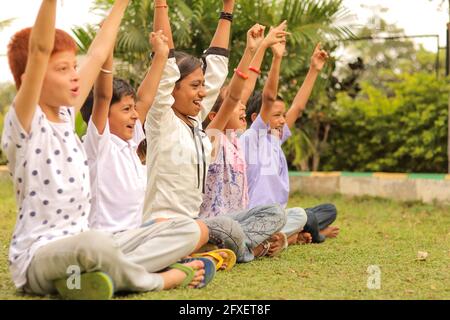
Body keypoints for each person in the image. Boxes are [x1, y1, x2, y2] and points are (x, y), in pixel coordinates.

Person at [1, 0, 214, 300]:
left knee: (187, 230)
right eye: (63, 69)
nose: (75, 75)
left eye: (75, 66)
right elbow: (38, 51)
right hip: (40, 257)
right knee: (94, 246)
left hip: (90, 248)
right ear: (30, 80)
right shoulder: (24, 123)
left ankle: (87, 281)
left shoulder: (64, 118)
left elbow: (100, 51)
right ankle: (157, 280)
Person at [241, 41, 340, 248]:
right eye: (276, 115)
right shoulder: (252, 138)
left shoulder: (275, 138)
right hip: (255, 219)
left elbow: (298, 107)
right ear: (256, 117)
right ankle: (299, 236)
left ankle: (293, 233)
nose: (283, 119)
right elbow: (268, 97)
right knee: (306, 217)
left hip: (280, 217)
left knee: (326, 210)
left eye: (283, 115)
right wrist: (277, 58)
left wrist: (314, 69)